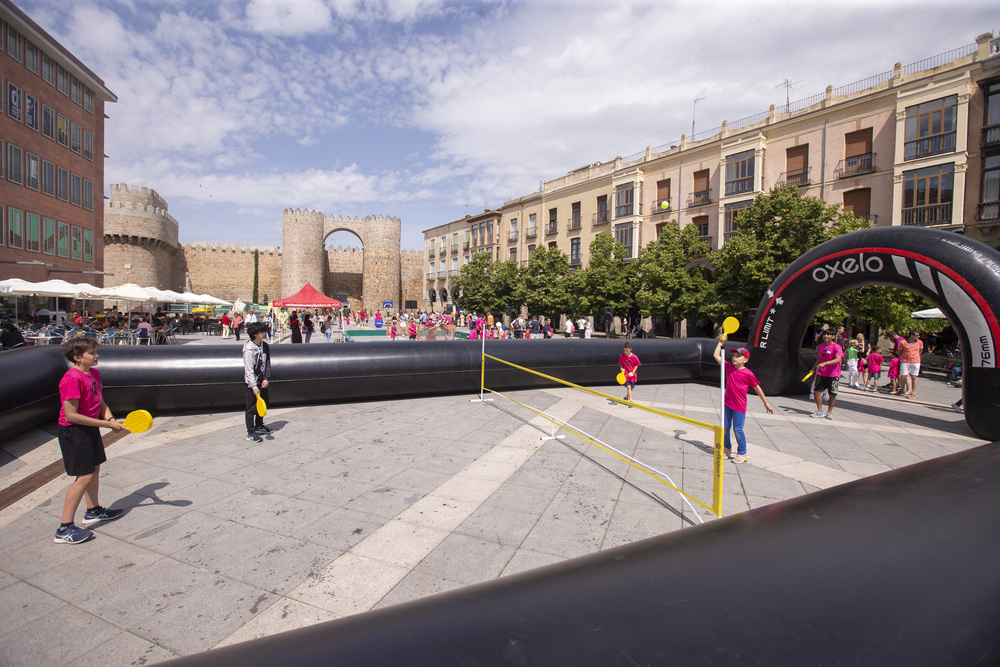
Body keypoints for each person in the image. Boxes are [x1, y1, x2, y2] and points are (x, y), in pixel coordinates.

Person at [53, 337, 126, 544]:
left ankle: (93, 511)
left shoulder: (93, 373)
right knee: (83, 477)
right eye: (92, 353)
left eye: (95, 351)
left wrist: (110, 419)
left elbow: (99, 401)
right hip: (74, 432)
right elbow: (71, 415)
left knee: (94, 470)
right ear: (77, 358)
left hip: (90, 428)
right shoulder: (72, 379)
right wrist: (107, 426)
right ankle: (64, 529)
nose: (97, 355)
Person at [713, 336, 774, 463]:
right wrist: (720, 343)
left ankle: (742, 452)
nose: (734, 358)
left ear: (745, 360)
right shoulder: (729, 367)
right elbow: (716, 355)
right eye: (734, 355)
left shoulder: (748, 374)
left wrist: (766, 403)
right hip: (727, 404)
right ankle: (727, 448)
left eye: (738, 356)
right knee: (724, 427)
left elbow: (757, 388)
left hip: (739, 406)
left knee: (737, 429)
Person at [243, 322, 272, 443]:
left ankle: (259, 425)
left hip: (262, 380)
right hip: (252, 383)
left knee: (264, 403)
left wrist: (266, 378)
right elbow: (248, 370)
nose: (264, 334)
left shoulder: (264, 346)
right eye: (262, 332)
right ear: (255, 334)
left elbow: (268, 363)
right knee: (252, 407)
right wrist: (254, 386)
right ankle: (250, 432)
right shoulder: (249, 350)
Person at [810, 329, 844, 419]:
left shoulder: (837, 347)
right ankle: (820, 411)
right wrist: (813, 369)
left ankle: (829, 412)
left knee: (832, 394)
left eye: (828, 335)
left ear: (833, 337)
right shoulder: (821, 346)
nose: (826, 336)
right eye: (825, 335)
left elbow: (838, 359)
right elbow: (819, 359)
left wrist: (825, 363)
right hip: (821, 373)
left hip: (834, 374)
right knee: (817, 391)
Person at [898, 331, 924, 399]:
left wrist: (916, 356)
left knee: (914, 376)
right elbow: (899, 352)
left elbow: (920, 351)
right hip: (905, 361)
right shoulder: (903, 342)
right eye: (917, 335)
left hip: (916, 361)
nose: (918, 336)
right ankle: (902, 389)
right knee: (903, 376)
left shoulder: (919, 342)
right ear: (912, 335)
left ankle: (913, 392)